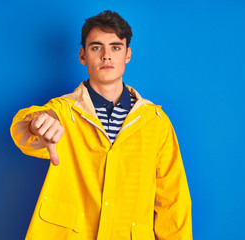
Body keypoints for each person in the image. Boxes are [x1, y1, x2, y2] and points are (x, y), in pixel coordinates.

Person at [10, 10, 192, 240]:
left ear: (127, 54)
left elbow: (173, 200)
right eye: (96, 47)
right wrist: (39, 124)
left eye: (115, 47)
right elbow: (24, 129)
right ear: (83, 55)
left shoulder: (155, 122)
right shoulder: (63, 112)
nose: (106, 55)